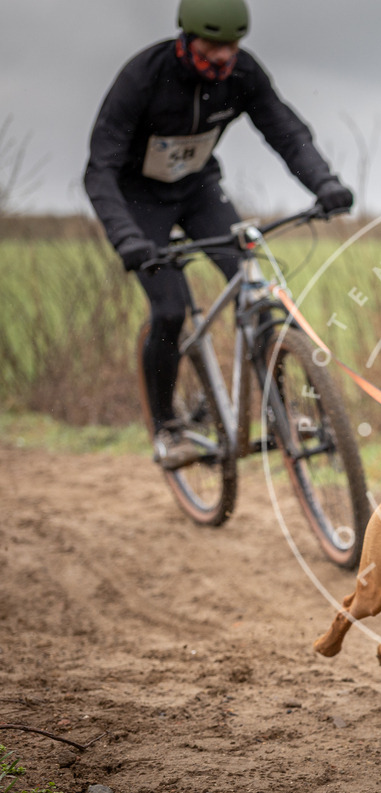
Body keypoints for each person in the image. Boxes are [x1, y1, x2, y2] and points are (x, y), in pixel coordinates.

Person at [84, 0, 352, 467]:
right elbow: (99, 169)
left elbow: (285, 132)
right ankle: (168, 427)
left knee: (255, 284)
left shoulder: (241, 73)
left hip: (198, 190)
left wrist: (323, 182)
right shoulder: (142, 77)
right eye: (213, 54)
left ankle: (279, 411)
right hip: (137, 201)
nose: (224, 62)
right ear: (185, 41)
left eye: (232, 51)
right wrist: (127, 237)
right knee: (169, 309)